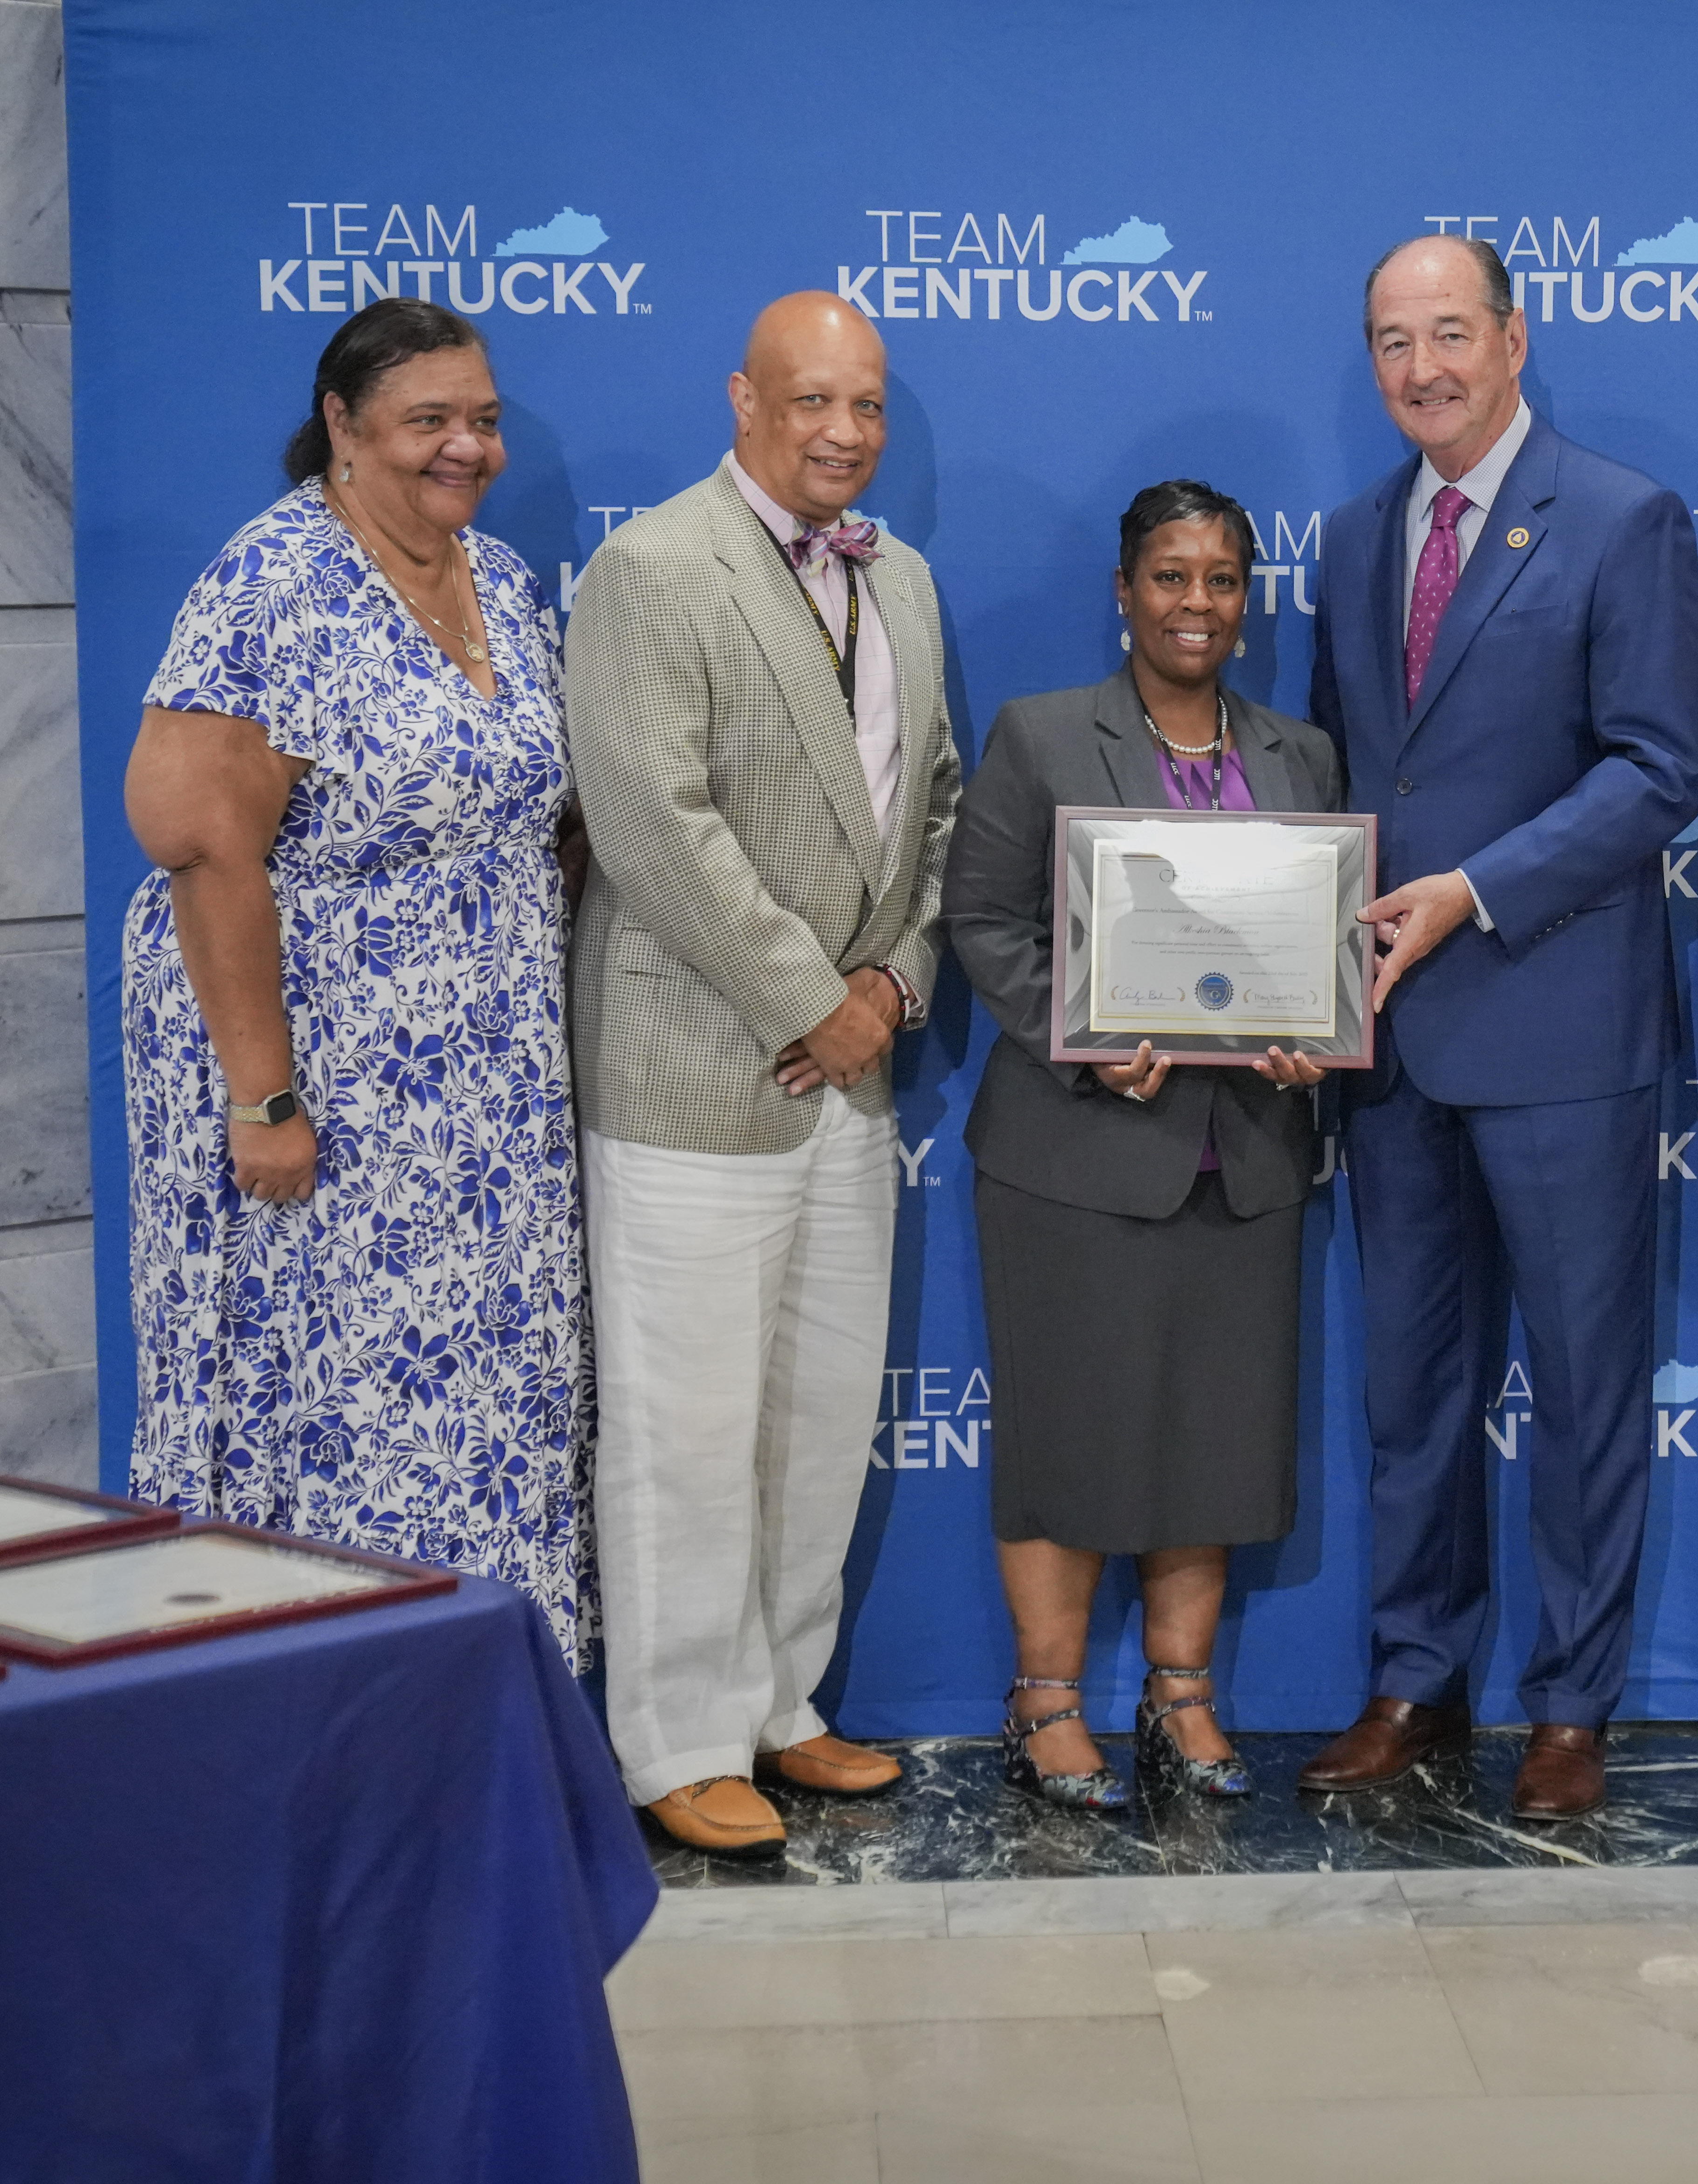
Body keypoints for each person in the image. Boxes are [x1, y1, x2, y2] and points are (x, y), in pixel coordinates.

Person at [1298, 236, 1698, 1820]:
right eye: (1392, 339)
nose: (1423, 367)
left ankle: (1571, 1702)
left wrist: (1475, 887)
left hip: (1559, 1030)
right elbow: (1336, 776)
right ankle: (1416, 1677)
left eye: (1450, 332)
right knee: (1412, 1388)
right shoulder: (1347, 540)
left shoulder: (1622, 517)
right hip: (1389, 1043)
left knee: (1587, 1383)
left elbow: (1658, 768)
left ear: (1516, 338)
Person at [121, 299, 590, 1659]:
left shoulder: (500, 578)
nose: (468, 447)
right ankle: (320, 1745)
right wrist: (264, 1101)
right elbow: (204, 844)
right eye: (428, 420)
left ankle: (483, 1733)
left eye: (486, 419)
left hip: (488, 1103)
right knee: (338, 1403)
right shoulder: (268, 587)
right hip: (326, 1098)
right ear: (342, 425)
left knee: (483, 1409)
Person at [564, 293, 963, 1863]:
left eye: (866, 404)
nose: (845, 432)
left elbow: (935, 802)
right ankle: (671, 1735)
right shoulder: (656, 567)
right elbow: (653, 822)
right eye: (812, 401)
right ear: (744, 400)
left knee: (812, 1409)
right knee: (683, 1418)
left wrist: (896, 981)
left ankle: (781, 1702)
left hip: (848, 1079)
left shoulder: (907, 578)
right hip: (693, 1062)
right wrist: (817, 996)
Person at [939, 480, 1340, 1809]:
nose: (1198, 604)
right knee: (1070, 1429)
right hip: (1073, 1159)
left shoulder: (1302, 755)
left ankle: (1184, 1698)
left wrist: (1310, 1036)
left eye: (1224, 579)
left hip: (1249, 1159)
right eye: (1171, 577)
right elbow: (984, 920)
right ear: (1123, 591)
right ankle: (1046, 1701)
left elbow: (1317, 956)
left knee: (1213, 1434)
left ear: (1249, 598)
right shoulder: (1044, 735)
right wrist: (1080, 1028)